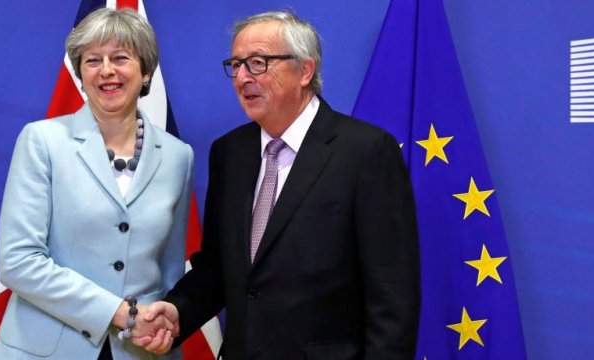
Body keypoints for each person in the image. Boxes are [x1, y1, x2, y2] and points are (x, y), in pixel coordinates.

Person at [135, 10, 421, 359]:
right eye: (236, 65)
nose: (242, 78)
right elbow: (219, 266)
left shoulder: (365, 152)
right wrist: (179, 310)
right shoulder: (230, 153)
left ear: (305, 70)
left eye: (257, 63)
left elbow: (392, 293)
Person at [0, 7, 189, 360]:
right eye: (93, 60)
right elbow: (17, 261)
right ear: (81, 75)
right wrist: (121, 313)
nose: (107, 71)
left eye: (120, 58)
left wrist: (162, 326)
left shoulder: (178, 156)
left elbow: (170, 273)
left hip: (141, 351)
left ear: (145, 72)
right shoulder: (43, 141)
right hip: (45, 350)